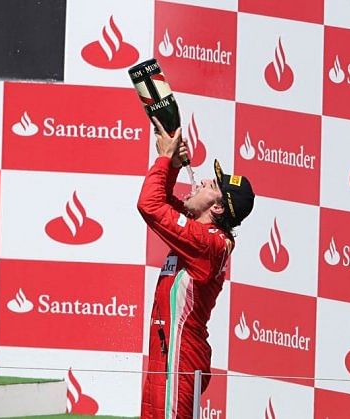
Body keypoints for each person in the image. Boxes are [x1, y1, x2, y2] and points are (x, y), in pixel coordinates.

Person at [138, 118, 255, 418]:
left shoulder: (209, 243)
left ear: (217, 208)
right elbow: (162, 202)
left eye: (210, 185)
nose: (200, 181)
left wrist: (165, 159)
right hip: (169, 354)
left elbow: (149, 206)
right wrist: (173, 164)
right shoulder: (199, 234)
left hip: (179, 359)